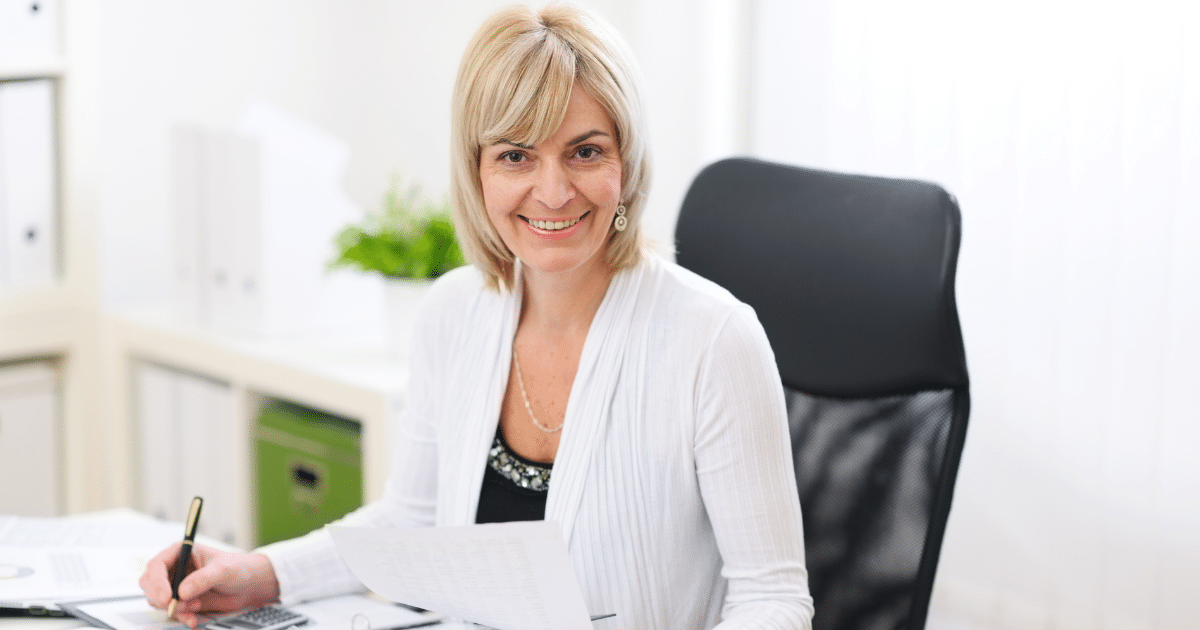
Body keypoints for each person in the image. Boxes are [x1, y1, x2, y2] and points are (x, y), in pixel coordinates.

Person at [140, 4, 814, 629]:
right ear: (477, 170)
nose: (552, 191)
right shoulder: (453, 313)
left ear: (627, 163)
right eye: (516, 155)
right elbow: (416, 520)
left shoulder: (714, 341)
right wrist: (262, 573)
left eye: (585, 151)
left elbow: (773, 601)